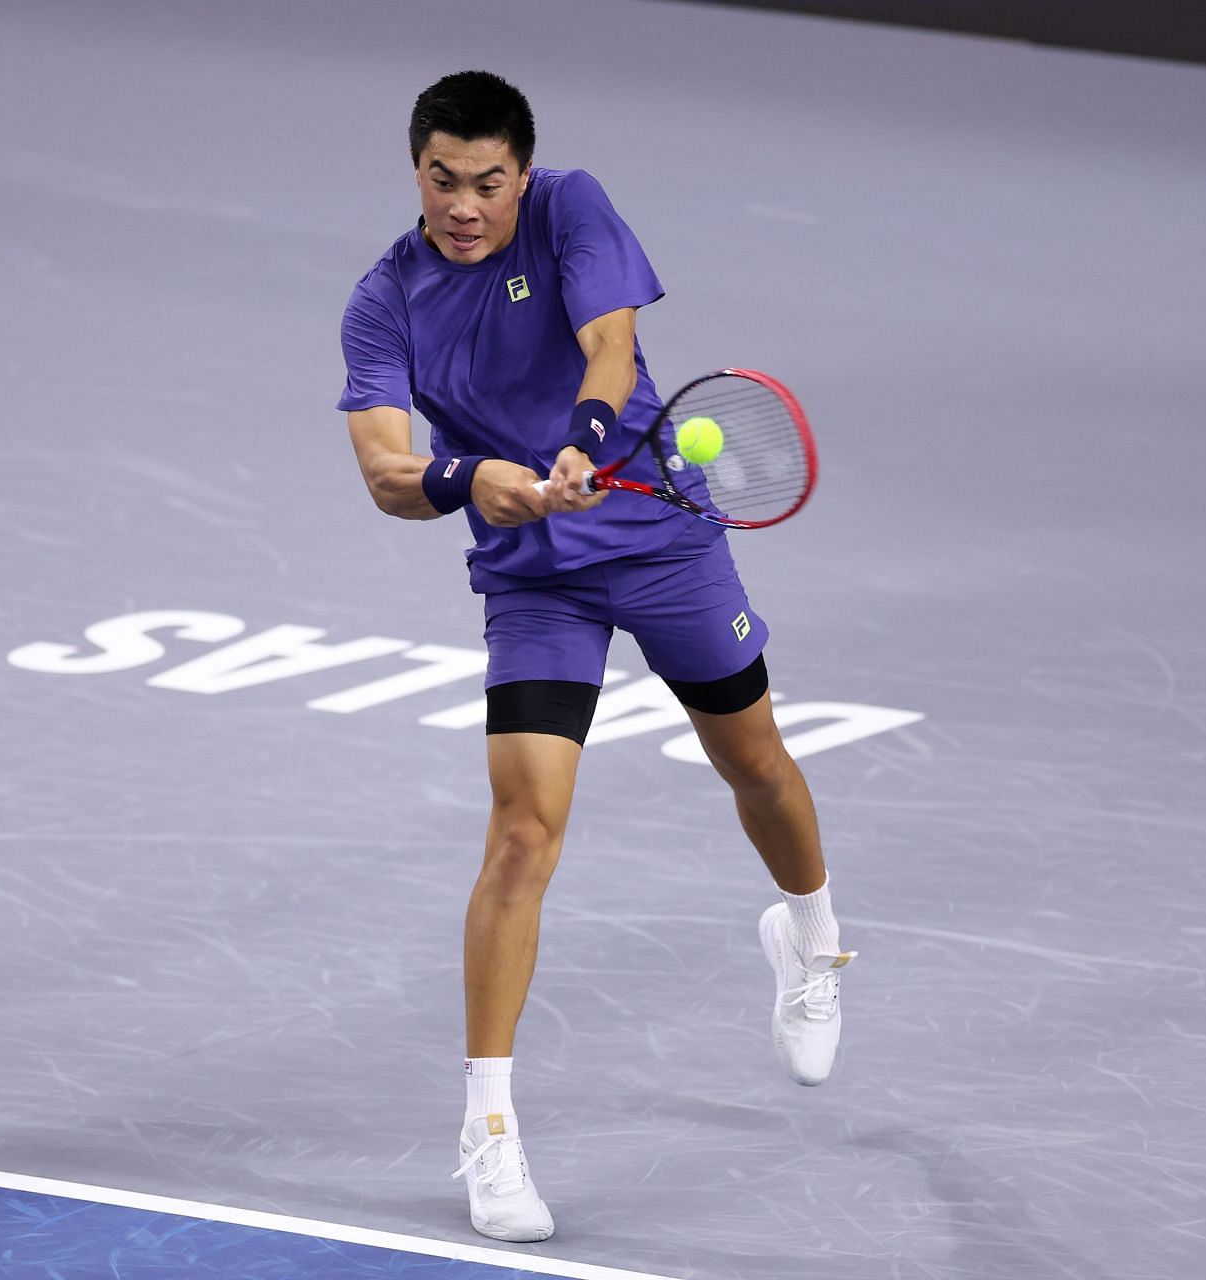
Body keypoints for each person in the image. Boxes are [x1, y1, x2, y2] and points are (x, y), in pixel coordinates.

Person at [337, 70, 853, 1244]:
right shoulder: (383, 302)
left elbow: (609, 350)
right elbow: (383, 472)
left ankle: (812, 935)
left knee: (758, 764)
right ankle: (490, 1128)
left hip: (662, 538)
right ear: (415, 169)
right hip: (536, 580)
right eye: (440, 179)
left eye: (487, 181)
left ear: (522, 172)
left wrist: (574, 444)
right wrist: (473, 480)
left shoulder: (573, 208)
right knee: (521, 833)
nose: (464, 204)